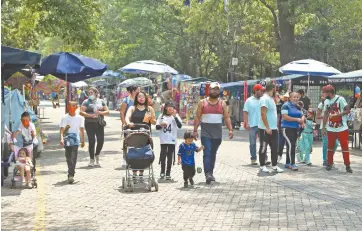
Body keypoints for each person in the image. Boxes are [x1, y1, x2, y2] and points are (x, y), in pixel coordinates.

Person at [193, 82, 233, 184]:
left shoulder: (222, 103)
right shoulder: (202, 103)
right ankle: (208, 174)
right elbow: (197, 117)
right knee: (207, 152)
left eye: (216, 89)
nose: (214, 91)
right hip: (206, 132)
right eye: (212, 89)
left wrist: (230, 129)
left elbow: (226, 117)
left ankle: (210, 172)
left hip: (217, 134)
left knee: (213, 153)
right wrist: (195, 130)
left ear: (219, 91)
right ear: (209, 90)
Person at [321, 85, 352, 173]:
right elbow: (326, 114)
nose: (323, 94)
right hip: (331, 128)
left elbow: (347, 110)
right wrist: (323, 127)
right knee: (330, 147)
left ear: (329, 92)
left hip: (342, 128)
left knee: (345, 147)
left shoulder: (341, 99)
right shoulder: (326, 101)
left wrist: (337, 115)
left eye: (324, 92)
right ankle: (329, 163)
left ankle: (347, 165)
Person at [125, 91, 157, 178]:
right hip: (134, 134)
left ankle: (141, 174)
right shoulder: (132, 108)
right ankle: (134, 173)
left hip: (145, 135)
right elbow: (127, 117)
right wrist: (128, 123)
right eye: (139, 96)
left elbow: (154, 122)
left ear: (146, 98)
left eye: (143, 97)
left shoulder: (150, 109)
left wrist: (151, 118)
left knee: (143, 153)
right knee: (134, 153)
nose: (141, 98)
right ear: (136, 98)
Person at [80, 87, 109, 167]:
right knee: (91, 141)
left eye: (92, 93)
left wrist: (100, 112)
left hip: (99, 123)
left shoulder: (101, 101)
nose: (90, 94)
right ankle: (91, 159)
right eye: (89, 93)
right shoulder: (86, 102)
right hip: (89, 123)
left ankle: (97, 154)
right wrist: (89, 115)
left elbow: (107, 111)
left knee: (101, 140)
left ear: (96, 93)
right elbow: (81, 112)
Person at [258, 83, 283, 173]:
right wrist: (267, 127)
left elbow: (272, 114)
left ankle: (274, 165)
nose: (277, 91)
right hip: (265, 128)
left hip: (273, 128)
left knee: (274, 147)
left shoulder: (271, 99)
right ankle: (262, 165)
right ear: (272, 89)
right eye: (276, 89)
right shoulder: (264, 99)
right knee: (263, 147)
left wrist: (274, 127)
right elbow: (263, 114)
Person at [60, 101, 85, 184]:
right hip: (67, 140)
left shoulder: (80, 118)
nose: (72, 107)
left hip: (75, 140)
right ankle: (70, 172)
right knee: (68, 157)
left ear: (76, 107)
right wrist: (61, 139)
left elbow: (81, 129)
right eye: (70, 106)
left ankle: (71, 175)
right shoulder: (65, 117)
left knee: (73, 158)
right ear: (68, 107)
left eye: (74, 106)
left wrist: (82, 140)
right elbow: (62, 130)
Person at [156, 101, 182, 180]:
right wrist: (161, 125)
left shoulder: (175, 116)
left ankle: (168, 173)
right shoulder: (161, 116)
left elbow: (180, 126)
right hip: (163, 140)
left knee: (170, 156)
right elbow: (157, 127)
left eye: (172, 106)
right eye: (168, 106)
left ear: (174, 108)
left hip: (172, 140)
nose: (170, 108)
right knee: (163, 156)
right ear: (165, 108)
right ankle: (162, 172)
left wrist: (175, 117)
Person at [281, 92, 304, 171]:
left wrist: (302, 120)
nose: (296, 98)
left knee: (290, 146)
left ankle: (288, 163)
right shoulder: (285, 105)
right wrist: (296, 119)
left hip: (295, 129)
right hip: (287, 128)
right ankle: (292, 163)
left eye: (297, 97)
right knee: (292, 145)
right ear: (290, 98)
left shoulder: (298, 106)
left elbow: (302, 115)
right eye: (294, 97)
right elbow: (285, 117)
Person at [243, 84, 265, 165]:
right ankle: (253, 158)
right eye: (261, 90)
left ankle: (264, 158)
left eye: (263, 91)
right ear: (256, 90)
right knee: (252, 143)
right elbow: (245, 112)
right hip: (252, 125)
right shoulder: (249, 100)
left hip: (262, 125)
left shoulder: (263, 100)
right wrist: (246, 122)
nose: (262, 92)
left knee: (263, 143)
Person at [317, 95, 339, 166]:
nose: (323, 97)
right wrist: (326, 115)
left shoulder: (335, 103)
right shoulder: (321, 105)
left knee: (335, 144)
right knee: (326, 144)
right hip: (325, 127)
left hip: (333, 126)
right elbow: (318, 116)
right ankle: (325, 160)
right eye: (322, 95)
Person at [277, 92, 289, 162]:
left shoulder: (291, 106)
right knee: (281, 142)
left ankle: (288, 159)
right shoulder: (281, 105)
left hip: (289, 126)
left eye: (287, 98)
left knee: (288, 143)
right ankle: (279, 155)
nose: (285, 99)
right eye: (285, 98)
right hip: (282, 125)